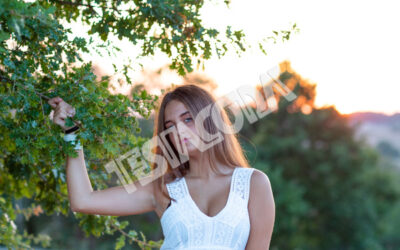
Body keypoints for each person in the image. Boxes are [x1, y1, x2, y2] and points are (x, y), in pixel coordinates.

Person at [48, 84, 275, 249]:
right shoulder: (162, 188)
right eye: (170, 125)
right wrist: (71, 134)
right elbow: (82, 200)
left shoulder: (253, 184)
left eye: (187, 119)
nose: (179, 131)